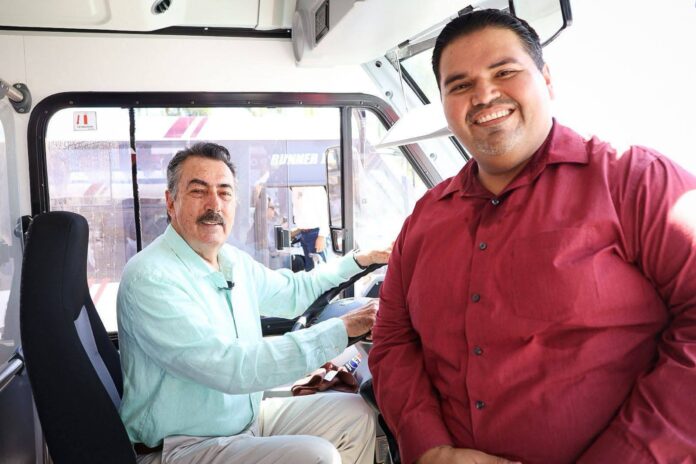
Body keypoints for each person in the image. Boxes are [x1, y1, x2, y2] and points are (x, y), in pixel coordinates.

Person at [369, 9, 696, 464]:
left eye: (504, 72)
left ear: (546, 80)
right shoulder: (424, 219)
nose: (484, 94)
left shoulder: (636, 181)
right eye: (460, 85)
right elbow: (392, 340)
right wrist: (430, 449)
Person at [117, 142, 390, 464]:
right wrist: (343, 329)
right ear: (170, 201)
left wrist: (360, 260)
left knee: (353, 414)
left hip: (242, 423)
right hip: (181, 446)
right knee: (317, 457)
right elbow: (231, 367)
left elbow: (294, 294)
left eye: (224, 192)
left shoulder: (229, 260)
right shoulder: (151, 277)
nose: (214, 204)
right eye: (198, 191)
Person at [291, 186, 330, 271]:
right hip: (303, 233)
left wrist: (322, 236)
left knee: (320, 270)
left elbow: (324, 212)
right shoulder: (295, 187)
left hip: (315, 234)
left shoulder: (315, 186)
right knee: (310, 270)